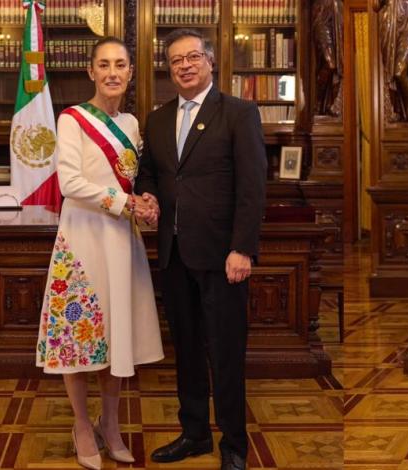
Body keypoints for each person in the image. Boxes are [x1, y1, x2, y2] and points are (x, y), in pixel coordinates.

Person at [135, 28, 267, 470]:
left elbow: (253, 187)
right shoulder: (156, 119)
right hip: (173, 254)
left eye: (193, 57)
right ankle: (194, 434)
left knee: (226, 352)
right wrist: (148, 196)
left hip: (222, 256)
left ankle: (233, 444)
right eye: (175, 60)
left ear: (210, 61)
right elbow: (148, 174)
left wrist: (243, 249)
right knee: (187, 350)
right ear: (168, 69)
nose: (185, 66)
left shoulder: (238, 113)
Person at [35, 37, 164, 470]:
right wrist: (126, 202)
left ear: (130, 72)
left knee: (116, 337)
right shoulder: (71, 119)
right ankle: (81, 425)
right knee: (80, 339)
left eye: (121, 65)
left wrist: (146, 201)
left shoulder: (130, 124)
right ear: (91, 71)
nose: (112, 72)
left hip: (123, 243)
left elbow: (137, 178)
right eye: (104, 64)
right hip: (83, 241)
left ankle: (111, 424)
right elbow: (70, 183)